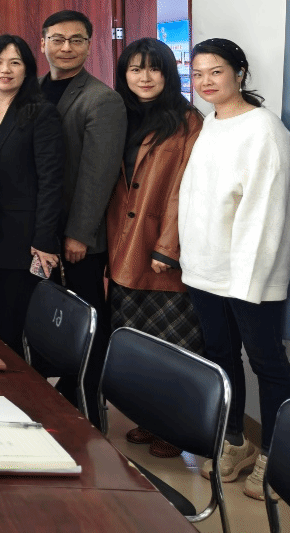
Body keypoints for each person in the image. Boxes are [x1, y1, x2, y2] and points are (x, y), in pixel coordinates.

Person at [179, 38, 290, 499]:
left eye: (216, 72)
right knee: (220, 355)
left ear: (239, 73)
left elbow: (266, 215)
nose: (206, 82)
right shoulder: (210, 122)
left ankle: (279, 456)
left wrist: (248, 282)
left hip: (248, 276)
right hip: (204, 270)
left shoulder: (265, 130)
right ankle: (235, 441)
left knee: (267, 362)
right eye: (198, 74)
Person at [104, 37, 203, 458]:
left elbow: (186, 189)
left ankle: (177, 428)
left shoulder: (187, 121)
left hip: (162, 252)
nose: (144, 77)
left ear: (168, 72)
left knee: (174, 344)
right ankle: (148, 418)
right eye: (135, 68)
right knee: (139, 345)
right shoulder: (119, 116)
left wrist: (168, 247)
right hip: (122, 246)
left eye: (154, 68)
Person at [38, 9, 124, 426]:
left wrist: (79, 235)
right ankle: (57, 398)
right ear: (43, 43)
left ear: (90, 45)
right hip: (41, 233)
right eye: (57, 39)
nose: (66, 47)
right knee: (49, 318)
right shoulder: (34, 90)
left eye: (76, 40)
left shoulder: (101, 99)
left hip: (77, 240)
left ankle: (88, 406)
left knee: (87, 321)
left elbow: (97, 174)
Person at [0, 34, 64, 351]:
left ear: (27, 69)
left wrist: (45, 239)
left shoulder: (40, 113)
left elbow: (52, 181)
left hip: (25, 242)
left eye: (15, 62)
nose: (5, 70)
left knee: (16, 327)